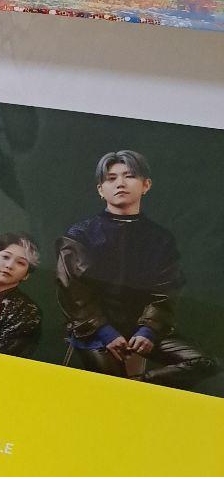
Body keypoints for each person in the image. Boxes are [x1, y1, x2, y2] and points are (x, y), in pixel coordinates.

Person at [56, 150, 217, 389]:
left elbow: (167, 290)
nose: (120, 183)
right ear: (101, 190)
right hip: (94, 329)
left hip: (143, 326)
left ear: (146, 185)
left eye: (129, 176)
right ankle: (130, 387)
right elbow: (73, 290)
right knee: (115, 387)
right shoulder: (80, 234)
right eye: (111, 178)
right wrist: (106, 332)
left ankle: (139, 385)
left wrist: (148, 330)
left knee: (204, 362)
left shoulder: (160, 238)